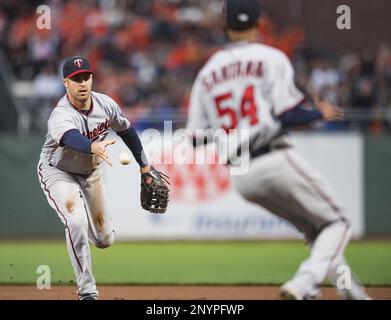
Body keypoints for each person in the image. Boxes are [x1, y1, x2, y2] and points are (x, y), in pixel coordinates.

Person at [186, 0, 370, 300]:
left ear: (223, 24)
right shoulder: (271, 58)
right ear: (259, 23)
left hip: (242, 175)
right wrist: (318, 113)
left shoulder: (207, 73)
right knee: (340, 221)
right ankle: (304, 283)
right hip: (273, 156)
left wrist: (226, 134)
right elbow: (288, 115)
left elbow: (195, 138)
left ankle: (354, 295)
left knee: (316, 229)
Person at [37, 56, 152, 300]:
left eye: (86, 77)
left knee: (104, 239)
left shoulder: (105, 104)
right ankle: (87, 291)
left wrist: (144, 166)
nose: (82, 83)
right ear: (65, 83)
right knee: (76, 222)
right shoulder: (61, 114)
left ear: (92, 79)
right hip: (58, 171)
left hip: (90, 172)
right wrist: (92, 147)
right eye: (75, 79)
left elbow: (127, 131)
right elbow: (69, 137)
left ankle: (80, 231)